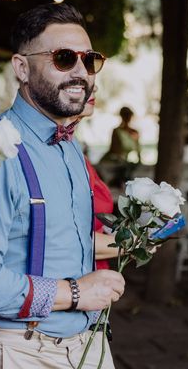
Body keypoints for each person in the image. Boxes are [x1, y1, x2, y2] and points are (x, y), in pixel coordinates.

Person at [0, 3, 125, 368]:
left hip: (84, 345)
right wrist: (76, 293)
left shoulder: (69, 144)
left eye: (89, 60)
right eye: (64, 58)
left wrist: (127, 244)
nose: (81, 72)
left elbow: (53, 237)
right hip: (15, 350)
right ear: (22, 67)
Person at [75, 88, 117, 270]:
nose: (94, 88)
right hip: (76, 284)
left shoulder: (74, 151)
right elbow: (68, 241)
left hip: (97, 277)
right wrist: (135, 243)